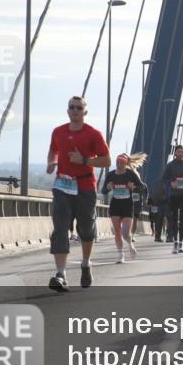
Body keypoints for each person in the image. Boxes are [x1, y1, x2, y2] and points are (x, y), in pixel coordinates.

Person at [46, 96, 111, 292]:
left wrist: (84, 160)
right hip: (62, 186)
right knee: (60, 228)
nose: (75, 110)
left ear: (85, 112)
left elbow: (106, 161)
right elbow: (53, 151)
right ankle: (61, 274)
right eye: (71, 107)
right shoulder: (58, 131)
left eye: (79, 107)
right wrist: (51, 162)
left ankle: (85, 263)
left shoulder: (93, 134)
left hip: (85, 186)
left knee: (86, 229)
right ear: (67, 111)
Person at [101, 153, 147, 263]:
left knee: (125, 233)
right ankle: (121, 255)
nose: (119, 164)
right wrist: (107, 188)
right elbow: (103, 191)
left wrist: (134, 187)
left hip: (127, 205)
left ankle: (130, 244)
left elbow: (142, 187)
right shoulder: (111, 175)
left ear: (125, 164)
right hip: (115, 205)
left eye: (121, 163)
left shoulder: (131, 174)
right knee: (117, 232)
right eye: (117, 162)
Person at [161, 145, 183, 254]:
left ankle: (181, 243)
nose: (180, 153)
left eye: (182, 152)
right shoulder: (170, 165)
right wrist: (171, 182)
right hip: (174, 195)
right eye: (178, 152)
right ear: (175, 153)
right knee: (174, 219)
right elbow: (164, 179)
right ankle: (175, 242)